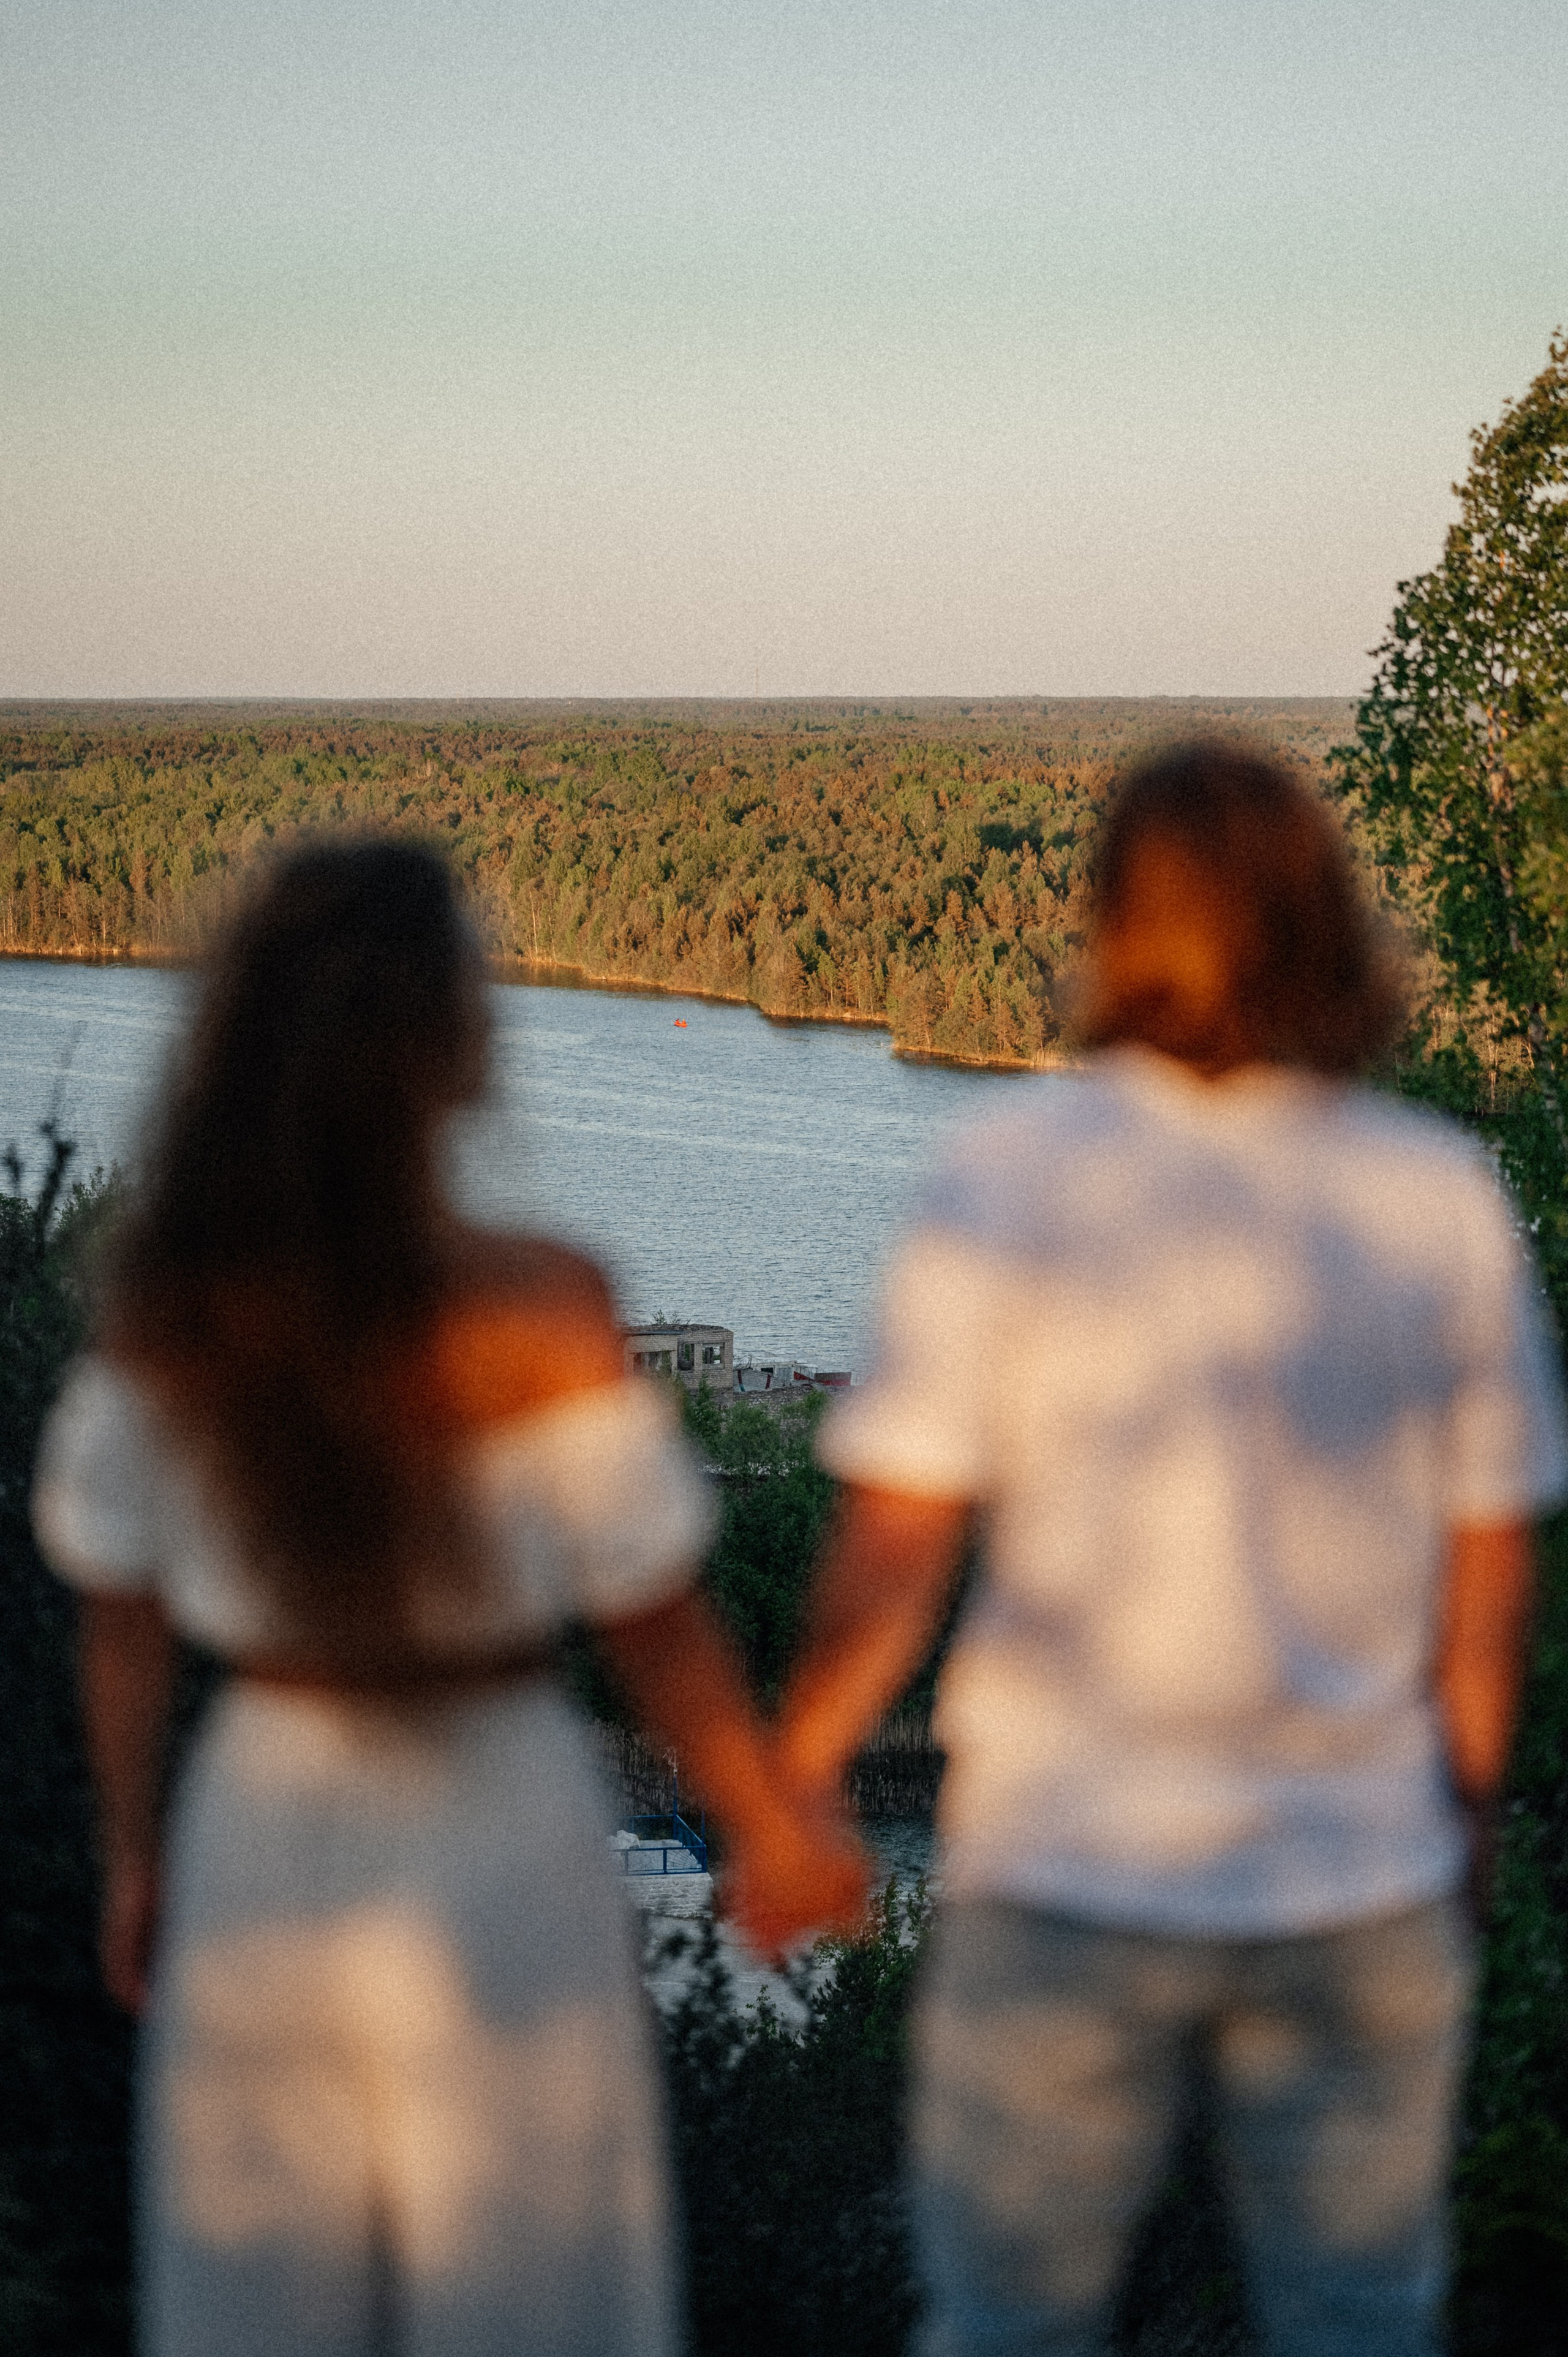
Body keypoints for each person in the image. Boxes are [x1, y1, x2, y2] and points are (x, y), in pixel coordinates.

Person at [772, 741, 1568, 2356]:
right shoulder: (1440, 1197)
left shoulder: (1005, 1179)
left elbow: (897, 1546)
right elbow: (1491, 1567)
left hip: (1065, 1855)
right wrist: (1468, 1804)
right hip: (1355, 1859)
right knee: (1356, 2329)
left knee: (1007, 2326)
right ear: (1322, 924)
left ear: (1114, 924)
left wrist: (798, 1774)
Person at [32, 838, 864, 2357]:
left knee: (259, 2308)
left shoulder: (175, 1304)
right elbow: (656, 1627)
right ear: (453, 1047)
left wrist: (139, 1852)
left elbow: (120, 1617)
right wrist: (767, 1818)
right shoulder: (540, 1306)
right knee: (531, 2305)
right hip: (498, 1819)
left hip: (261, 1820)